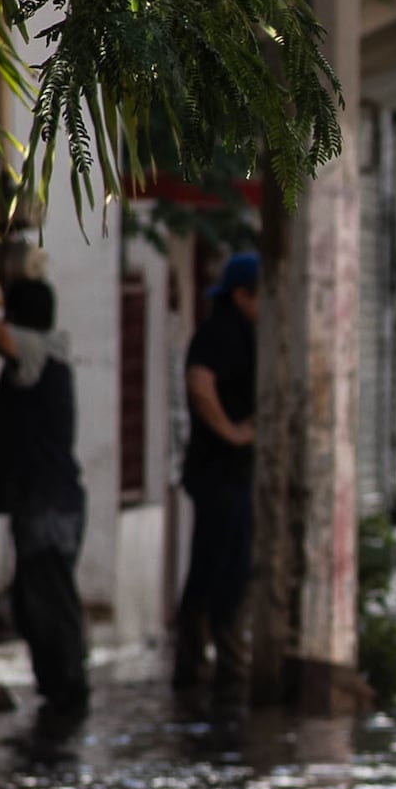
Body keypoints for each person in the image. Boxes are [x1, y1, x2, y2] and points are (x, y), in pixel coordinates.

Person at [0, 269, 90, 718]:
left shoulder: (35, 348)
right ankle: (60, 690)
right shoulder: (50, 354)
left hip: (48, 502)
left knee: (47, 595)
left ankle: (68, 692)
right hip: (49, 499)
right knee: (36, 595)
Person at [174, 248, 262, 695]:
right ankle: (202, 668)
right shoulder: (222, 333)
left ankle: (220, 667)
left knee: (229, 568)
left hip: (232, 475)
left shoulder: (241, 334)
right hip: (219, 474)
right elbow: (199, 380)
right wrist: (231, 432)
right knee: (216, 570)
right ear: (243, 296)